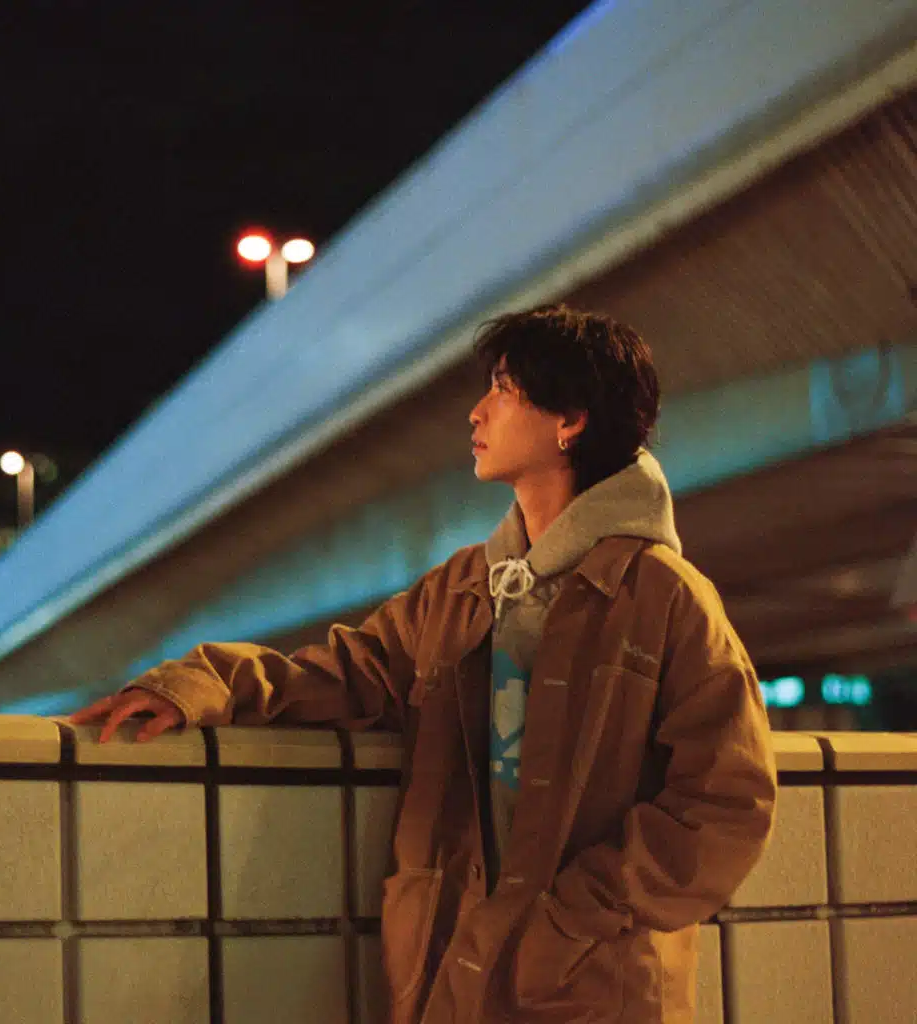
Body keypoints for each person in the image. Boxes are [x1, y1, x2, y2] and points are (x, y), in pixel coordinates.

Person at [72, 305, 777, 1024]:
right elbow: (347, 672)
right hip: (450, 968)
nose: (477, 411)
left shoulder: (663, 595)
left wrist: (576, 915)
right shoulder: (464, 587)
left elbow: (728, 801)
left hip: (597, 986)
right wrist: (197, 684)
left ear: (570, 419)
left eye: (504, 390)